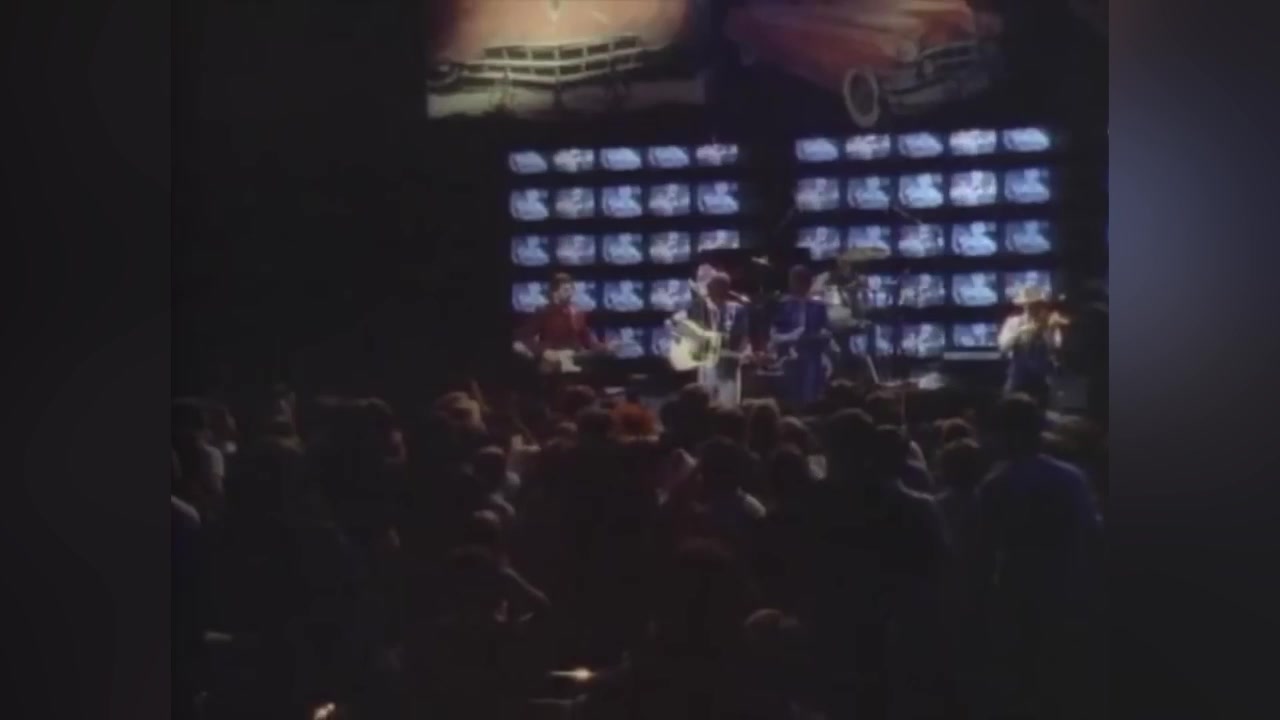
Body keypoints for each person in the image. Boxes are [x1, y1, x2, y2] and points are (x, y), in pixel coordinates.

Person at [673, 271, 750, 406]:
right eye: (709, 286)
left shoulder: (737, 310)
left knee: (728, 403)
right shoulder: (701, 308)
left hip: (728, 363)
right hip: (707, 363)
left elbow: (742, 335)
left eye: (713, 286)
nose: (709, 289)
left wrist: (741, 353)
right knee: (705, 400)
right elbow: (680, 322)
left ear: (724, 288)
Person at [770, 265, 831, 412]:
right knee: (791, 390)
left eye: (802, 281)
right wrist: (791, 337)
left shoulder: (818, 306)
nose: (797, 284)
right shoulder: (782, 305)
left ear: (808, 283)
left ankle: (809, 408)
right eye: (795, 280)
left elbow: (826, 331)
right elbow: (774, 334)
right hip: (787, 355)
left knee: (812, 379)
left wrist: (819, 337)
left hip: (812, 354)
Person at [515, 272, 601, 370]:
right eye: (566, 290)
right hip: (553, 359)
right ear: (554, 292)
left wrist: (606, 347)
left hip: (575, 357)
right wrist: (544, 351)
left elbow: (588, 341)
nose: (570, 294)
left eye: (571, 290)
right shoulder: (544, 312)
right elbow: (524, 335)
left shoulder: (578, 312)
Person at [997, 288, 1066, 406]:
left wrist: (1048, 330)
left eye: (1036, 304)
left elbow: (1056, 346)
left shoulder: (1049, 322)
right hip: (1017, 377)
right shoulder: (1013, 322)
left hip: (1042, 378)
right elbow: (1003, 347)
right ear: (1023, 306)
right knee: (1010, 408)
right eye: (1028, 305)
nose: (1032, 308)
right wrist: (1019, 333)